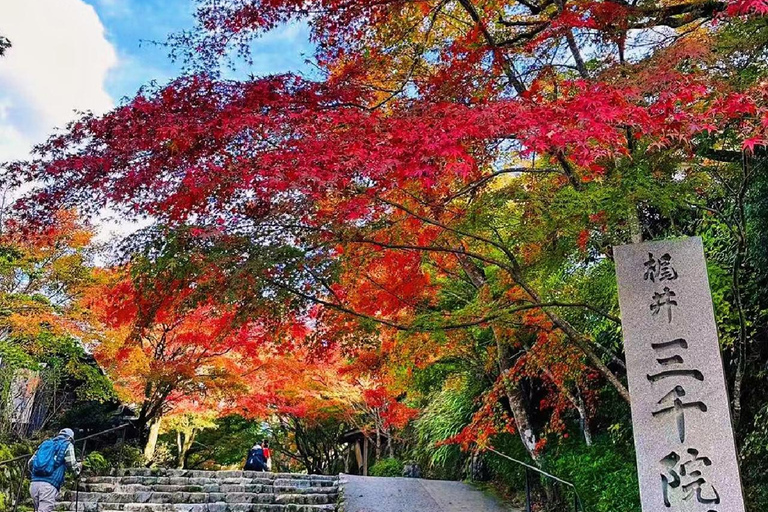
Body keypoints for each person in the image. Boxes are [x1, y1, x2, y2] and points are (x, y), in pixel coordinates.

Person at [28, 428, 81, 512]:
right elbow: (71, 463)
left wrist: (37, 474)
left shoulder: (45, 444)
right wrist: (77, 473)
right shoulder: (67, 444)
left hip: (34, 484)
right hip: (49, 486)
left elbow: (30, 463)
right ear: (70, 438)